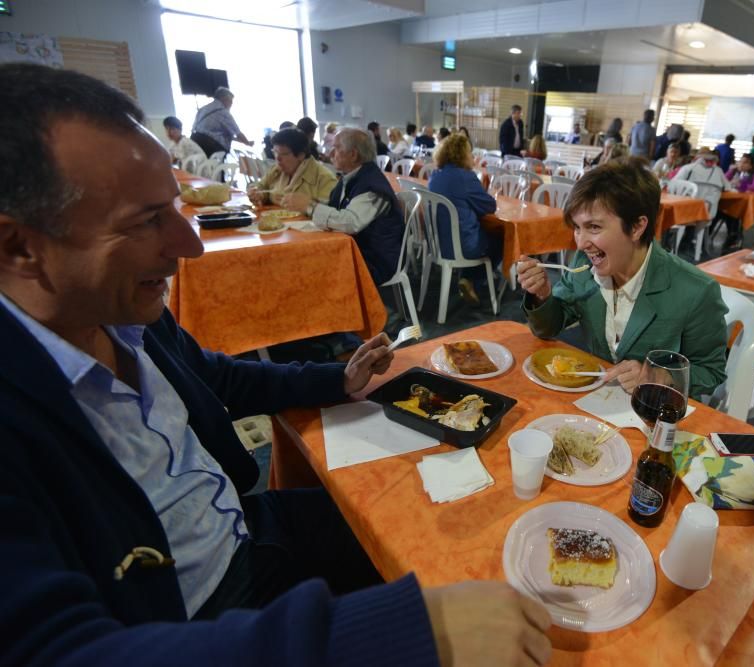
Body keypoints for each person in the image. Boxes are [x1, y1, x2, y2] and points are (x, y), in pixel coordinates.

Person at [0, 63, 551, 667]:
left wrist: (335, 378)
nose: (187, 246)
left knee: (417, 512)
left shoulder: (118, 314)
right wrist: (410, 632)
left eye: (174, 209)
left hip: (244, 524)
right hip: (193, 616)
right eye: (144, 221)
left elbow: (216, 377)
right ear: (20, 248)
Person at [516, 159, 728, 399]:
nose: (581, 243)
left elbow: (711, 372)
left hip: (655, 413)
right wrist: (542, 295)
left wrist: (658, 377)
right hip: (597, 400)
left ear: (637, 227)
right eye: (577, 227)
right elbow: (549, 328)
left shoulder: (695, 291)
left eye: (594, 227)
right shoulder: (584, 265)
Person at [283, 128, 403, 287]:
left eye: (337, 147)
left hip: (376, 260)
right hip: (355, 249)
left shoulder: (372, 185)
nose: (331, 153)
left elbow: (351, 222)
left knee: (310, 266)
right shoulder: (350, 176)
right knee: (302, 258)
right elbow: (338, 208)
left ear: (353, 155)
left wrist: (310, 207)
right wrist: (310, 204)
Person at [427, 134, 501, 306]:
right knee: (499, 237)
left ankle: (467, 277)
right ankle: (472, 279)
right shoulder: (465, 177)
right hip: (462, 247)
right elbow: (489, 206)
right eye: (469, 152)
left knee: (479, 234)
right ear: (462, 154)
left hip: (437, 243)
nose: (472, 156)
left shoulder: (435, 175)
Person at [247, 127, 336, 209]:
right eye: (275, 152)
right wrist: (258, 194)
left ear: (301, 155)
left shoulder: (323, 178)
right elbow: (261, 185)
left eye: (283, 154)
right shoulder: (277, 170)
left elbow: (328, 213)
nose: (277, 158)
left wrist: (307, 205)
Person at [191, 86, 253, 157]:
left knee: (201, 167)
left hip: (194, 142)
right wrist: (248, 143)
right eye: (230, 101)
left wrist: (241, 141)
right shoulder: (222, 111)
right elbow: (238, 133)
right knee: (216, 167)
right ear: (224, 99)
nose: (231, 104)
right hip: (210, 148)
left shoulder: (203, 109)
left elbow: (213, 134)